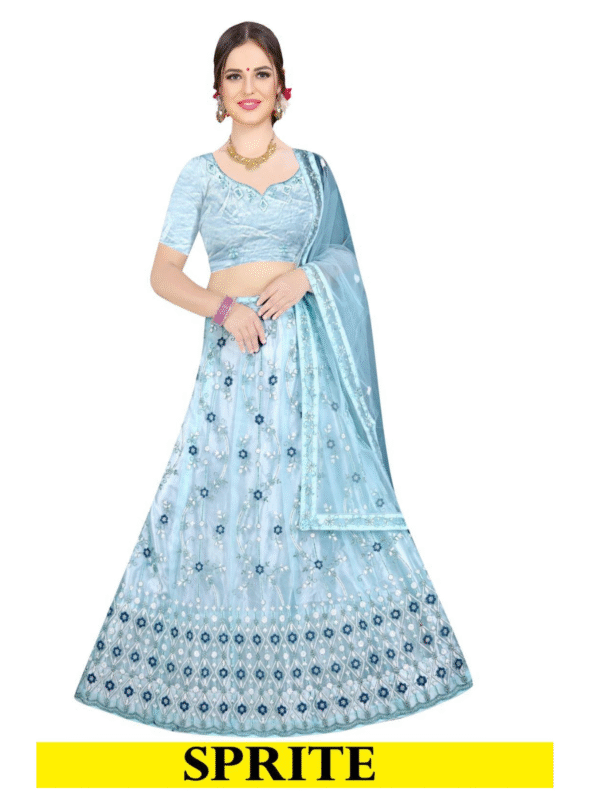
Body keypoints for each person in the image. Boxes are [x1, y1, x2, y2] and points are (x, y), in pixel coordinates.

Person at [73, 21, 474, 738]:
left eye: (261, 74)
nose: (249, 87)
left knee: (305, 512)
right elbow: (163, 274)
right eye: (235, 75)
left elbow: (345, 259)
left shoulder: (316, 172)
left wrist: (307, 276)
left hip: (311, 365)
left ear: (284, 89)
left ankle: (327, 680)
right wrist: (224, 309)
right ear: (217, 91)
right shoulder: (198, 174)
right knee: (216, 505)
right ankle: (219, 685)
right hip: (234, 361)